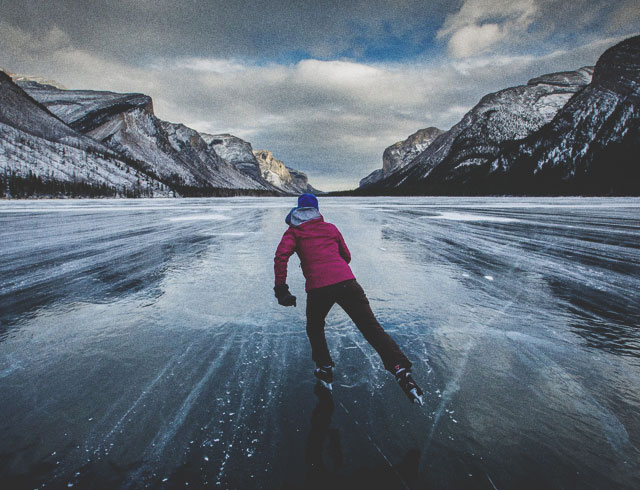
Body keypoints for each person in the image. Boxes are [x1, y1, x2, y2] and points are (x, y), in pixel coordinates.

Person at [273, 193, 424, 405]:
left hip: (318, 289)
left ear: (298, 210)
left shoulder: (294, 231)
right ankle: (400, 368)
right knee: (370, 327)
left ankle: (324, 367)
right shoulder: (330, 228)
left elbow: (281, 256)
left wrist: (281, 289)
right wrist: (333, 262)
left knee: (315, 327)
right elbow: (347, 256)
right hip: (348, 283)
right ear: (316, 210)